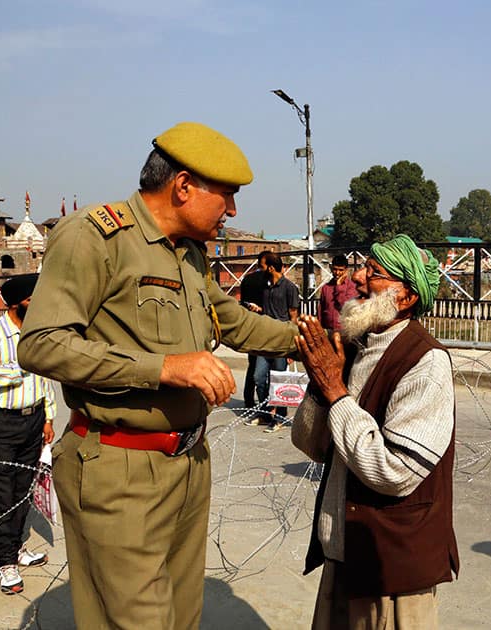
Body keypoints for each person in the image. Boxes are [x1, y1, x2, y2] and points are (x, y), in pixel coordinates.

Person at [16, 122, 298, 629]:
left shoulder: (188, 253)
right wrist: (164, 368)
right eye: (227, 196)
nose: (232, 211)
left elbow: (231, 321)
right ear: (184, 186)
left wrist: (310, 339)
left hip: (187, 462)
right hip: (120, 466)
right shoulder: (93, 237)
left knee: (181, 619)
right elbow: (40, 344)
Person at [292, 234, 459, 629]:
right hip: (345, 555)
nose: (359, 281)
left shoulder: (426, 361)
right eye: (364, 269)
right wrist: (321, 384)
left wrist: (336, 391)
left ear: (406, 298)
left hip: (391, 571)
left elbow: (394, 472)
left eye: (375, 273)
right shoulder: (355, 347)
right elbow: (310, 444)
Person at [0, 273, 56, 595]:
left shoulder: (35, 333)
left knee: (24, 492)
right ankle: (5, 561)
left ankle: (18, 548)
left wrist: (48, 417)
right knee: (5, 495)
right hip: (2, 426)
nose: (37, 306)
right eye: (32, 300)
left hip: (34, 422)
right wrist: (21, 368)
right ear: (17, 302)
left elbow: (45, 379)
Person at [248, 250, 300, 432]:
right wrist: (259, 309)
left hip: (282, 341)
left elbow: (294, 316)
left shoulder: (290, 288)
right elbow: (268, 310)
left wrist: (292, 346)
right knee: (259, 377)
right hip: (265, 340)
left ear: (270, 267)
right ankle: (264, 413)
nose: (260, 269)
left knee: (279, 381)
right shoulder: (266, 287)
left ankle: (279, 417)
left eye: (262, 266)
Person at [238, 250, 272, 410]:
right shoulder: (268, 280)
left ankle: (248, 400)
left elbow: (242, 303)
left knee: (252, 364)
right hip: (265, 326)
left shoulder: (247, 279)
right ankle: (268, 402)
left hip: (249, 326)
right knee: (266, 367)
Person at [318, 254, 358, 331]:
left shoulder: (352, 287)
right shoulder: (326, 287)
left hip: (345, 330)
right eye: (335, 269)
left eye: (341, 270)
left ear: (346, 270)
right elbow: (321, 311)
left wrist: (339, 287)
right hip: (328, 330)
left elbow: (344, 306)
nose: (337, 273)